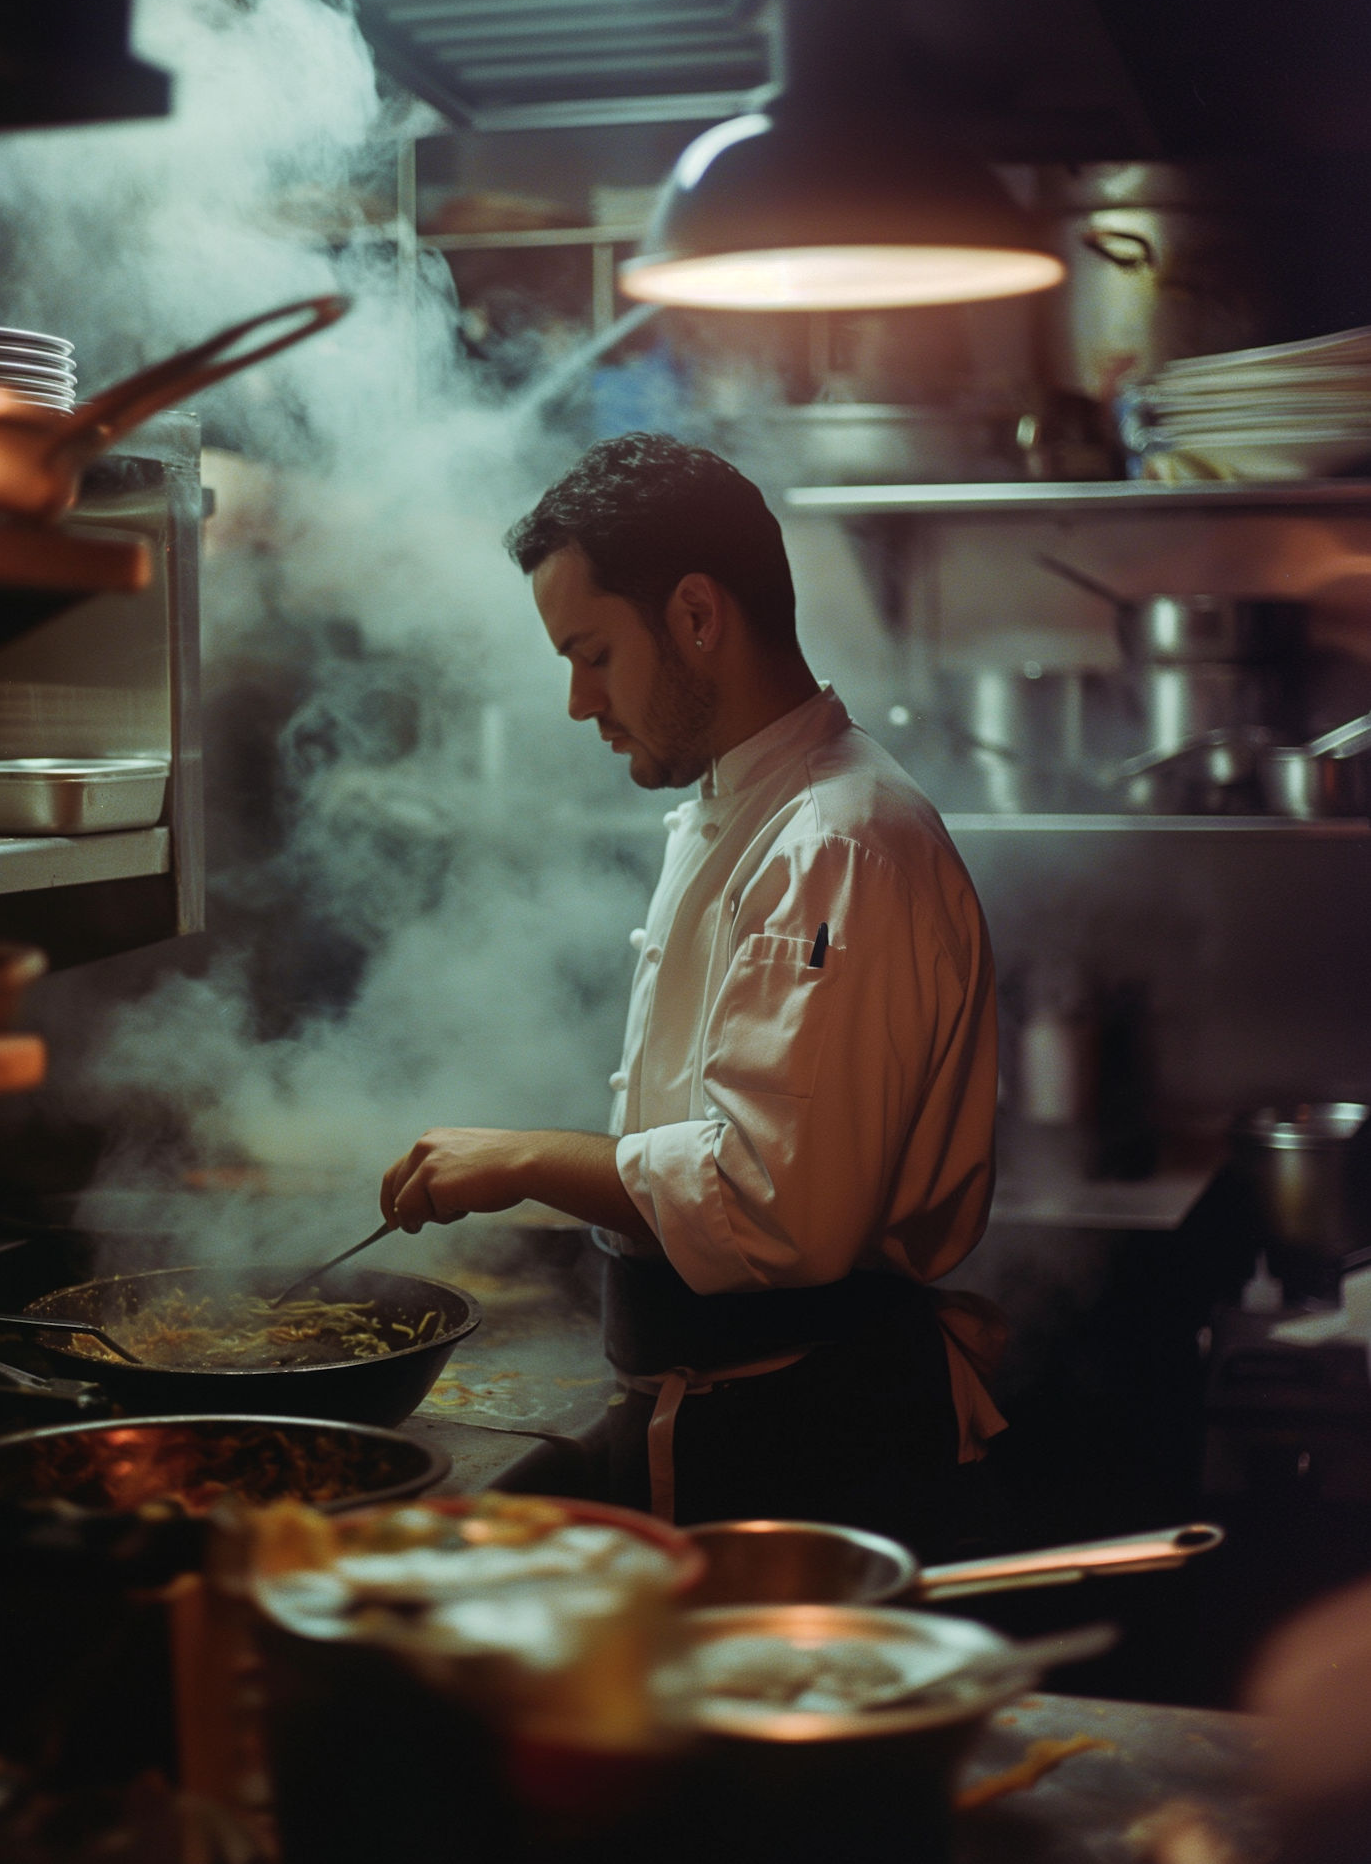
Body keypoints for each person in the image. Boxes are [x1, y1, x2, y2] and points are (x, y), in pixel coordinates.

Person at [380, 433, 1004, 1550]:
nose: (578, 700)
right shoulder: (759, 807)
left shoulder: (836, 841)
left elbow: (776, 1206)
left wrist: (525, 1159)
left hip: (812, 1438)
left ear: (697, 616)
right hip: (748, 1415)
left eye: (593, 653)